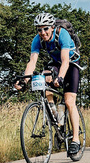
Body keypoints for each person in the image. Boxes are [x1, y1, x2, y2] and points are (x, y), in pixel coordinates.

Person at [14, 12, 82, 155]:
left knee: (69, 101)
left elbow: (65, 61)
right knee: (43, 78)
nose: (42, 32)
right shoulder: (37, 40)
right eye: (39, 29)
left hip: (71, 64)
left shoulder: (62, 34)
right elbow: (32, 62)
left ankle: (75, 140)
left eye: (45, 29)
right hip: (55, 64)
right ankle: (57, 117)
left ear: (52, 27)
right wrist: (24, 80)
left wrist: (61, 77)